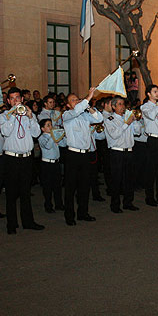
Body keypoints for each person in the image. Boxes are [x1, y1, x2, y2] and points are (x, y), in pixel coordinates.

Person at [0, 87, 44, 234]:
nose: (16, 101)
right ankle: (11, 224)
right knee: (11, 193)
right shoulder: (3, 116)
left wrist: (31, 117)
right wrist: (12, 115)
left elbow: (37, 133)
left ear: (22, 99)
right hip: (11, 158)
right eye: (13, 98)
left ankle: (28, 222)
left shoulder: (28, 114)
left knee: (25, 192)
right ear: (9, 101)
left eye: (18, 98)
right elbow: (5, 132)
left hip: (26, 158)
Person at [62, 87, 101, 225]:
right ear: (68, 105)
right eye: (73, 100)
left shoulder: (84, 115)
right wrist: (88, 97)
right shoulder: (66, 115)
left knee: (84, 185)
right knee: (71, 186)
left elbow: (99, 118)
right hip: (72, 154)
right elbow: (76, 111)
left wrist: (89, 108)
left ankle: (83, 213)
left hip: (85, 154)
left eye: (77, 99)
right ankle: (69, 216)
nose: (76, 101)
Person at [104, 96, 139, 213]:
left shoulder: (127, 118)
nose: (122, 106)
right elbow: (114, 134)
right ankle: (115, 205)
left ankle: (128, 202)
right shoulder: (110, 119)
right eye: (119, 104)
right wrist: (126, 124)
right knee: (117, 179)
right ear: (113, 107)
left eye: (123, 104)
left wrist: (135, 121)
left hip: (129, 151)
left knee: (129, 179)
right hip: (117, 152)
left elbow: (138, 132)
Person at [38, 118, 65, 213]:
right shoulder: (42, 138)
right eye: (48, 125)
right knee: (47, 186)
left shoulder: (54, 136)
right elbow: (48, 146)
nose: (51, 127)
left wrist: (62, 136)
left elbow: (64, 144)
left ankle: (59, 204)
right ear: (42, 129)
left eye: (51, 124)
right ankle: (48, 205)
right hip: (47, 164)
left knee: (57, 185)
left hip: (56, 163)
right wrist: (53, 136)